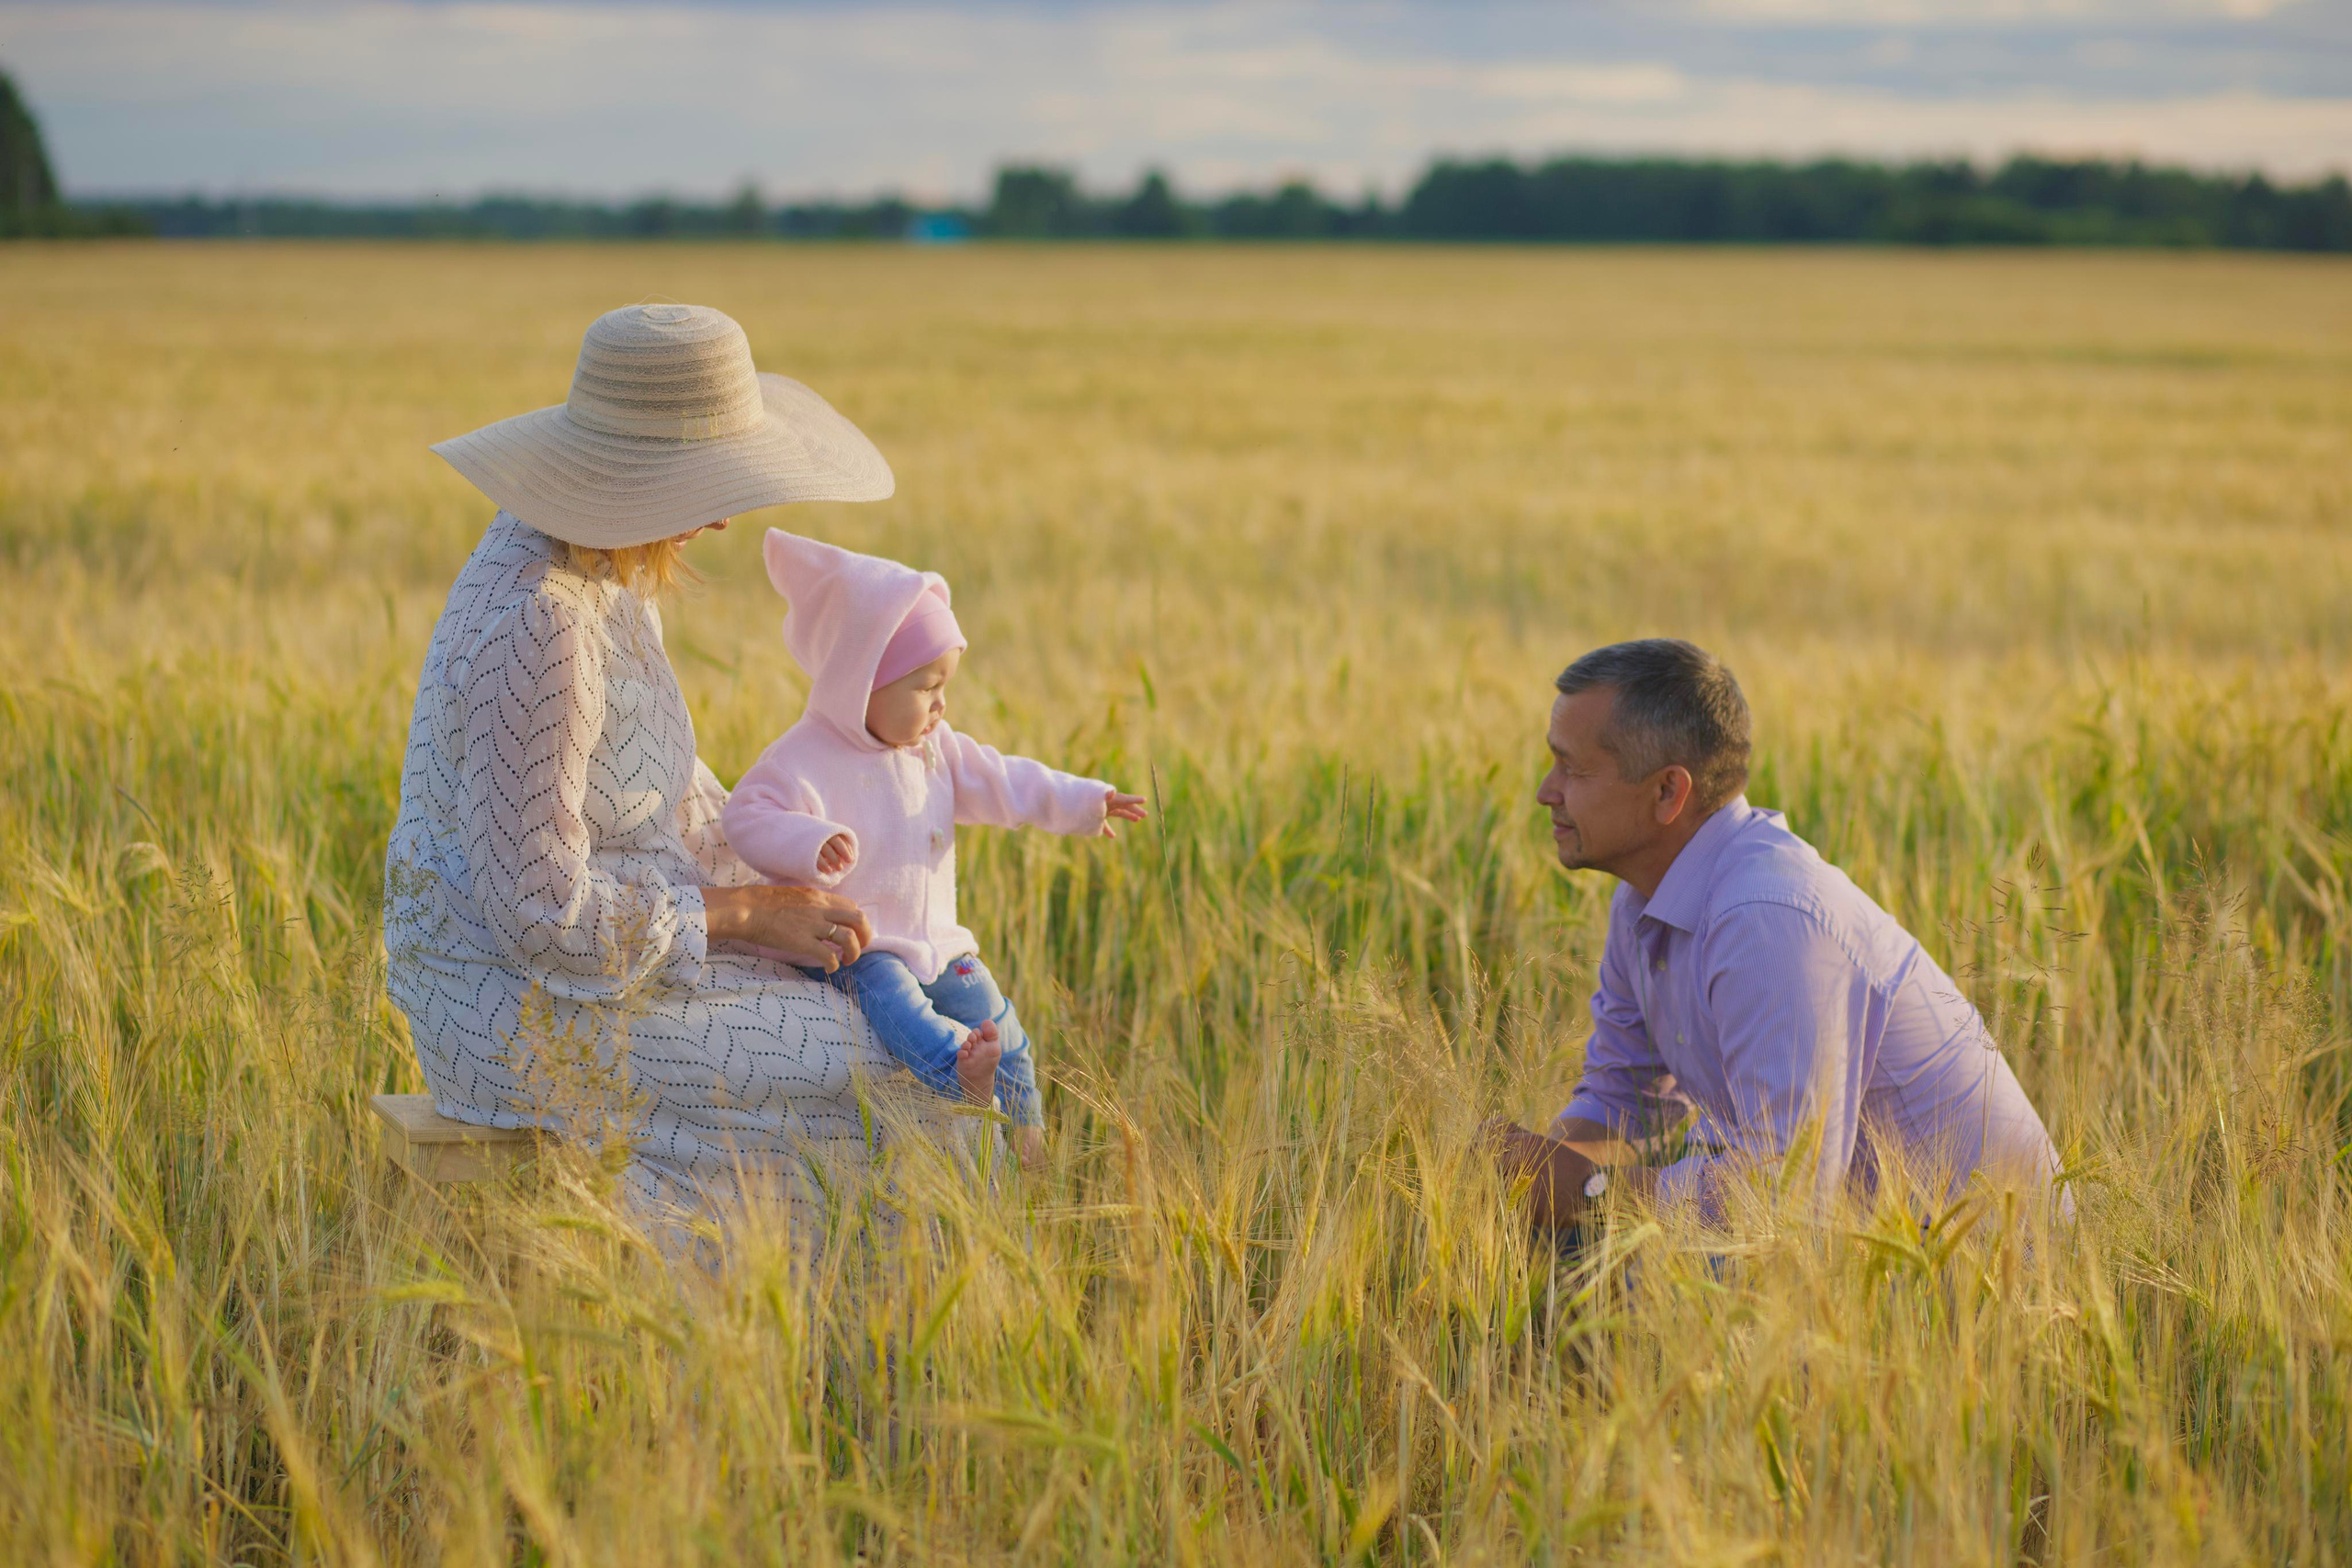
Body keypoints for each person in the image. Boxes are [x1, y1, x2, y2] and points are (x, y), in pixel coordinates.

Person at [383, 301, 906, 1228]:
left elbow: (667, 803)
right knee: (883, 1062)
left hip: (608, 966)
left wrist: (798, 885)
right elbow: (542, 915)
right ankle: (764, 1347)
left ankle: (811, 1341)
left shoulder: (601, 572)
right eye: (708, 483)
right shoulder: (540, 622)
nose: (721, 517)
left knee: (900, 1016)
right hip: (517, 1013)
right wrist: (744, 913)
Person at [1483, 638, 2063, 1230]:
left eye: (1573, 769)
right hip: (1867, 1271)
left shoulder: (1766, 917)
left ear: (1667, 792)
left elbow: (1786, 1195)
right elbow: (1622, 1101)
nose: (1545, 791)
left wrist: (1585, 1192)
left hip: (1981, 1288)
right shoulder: (1642, 902)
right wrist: (1513, 1188)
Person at [722, 532, 1148, 1168]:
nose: (942, 703)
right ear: (861, 679)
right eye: (926, 685)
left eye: (946, 683)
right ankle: (955, 1077)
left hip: (939, 944)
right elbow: (745, 814)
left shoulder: (935, 747)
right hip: (854, 946)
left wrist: (1086, 801)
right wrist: (812, 841)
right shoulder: (805, 756)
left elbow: (1009, 782)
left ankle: (1027, 1137)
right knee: (899, 1010)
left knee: (1000, 1021)